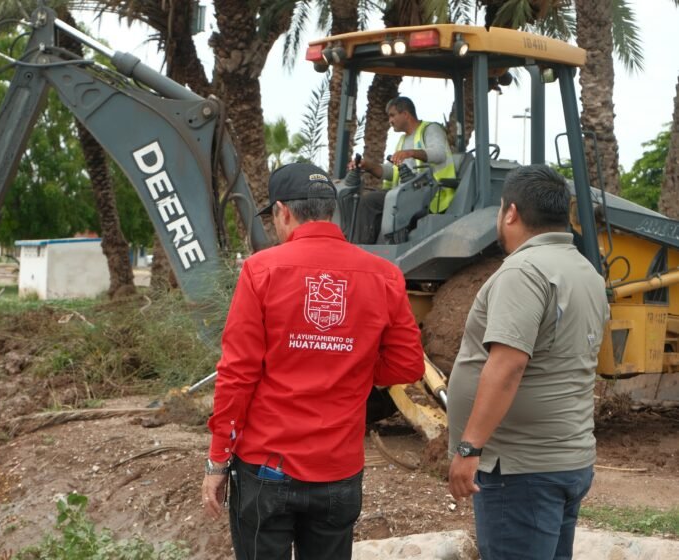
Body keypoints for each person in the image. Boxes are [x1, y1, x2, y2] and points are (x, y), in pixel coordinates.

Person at [201, 162, 425, 559]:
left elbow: (237, 374)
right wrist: (353, 366)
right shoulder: (385, 275)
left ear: (283, 212)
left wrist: (218, 461)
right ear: (330, 209)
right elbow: (408, 365)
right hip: (337, 470)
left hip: (266, 467)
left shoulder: (260, 270)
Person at [446, 164, 610, 560]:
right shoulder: (585, 271)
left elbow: (508, 366)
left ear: (511, 212)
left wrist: (469, 449)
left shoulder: (524, 270)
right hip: (566, 459)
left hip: (521, 470)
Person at [351, 96, 456, 244]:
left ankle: (360, 250)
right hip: (405, 193)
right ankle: (367, 247)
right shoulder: (402, 141)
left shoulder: (430, 129)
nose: (390, 121)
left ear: (405, 114)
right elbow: (392, 172)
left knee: (370, 202)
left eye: (392, 115)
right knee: (367, 200)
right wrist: (369, 166)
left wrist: (410, 153)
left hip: (432, 195)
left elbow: (439, 154)